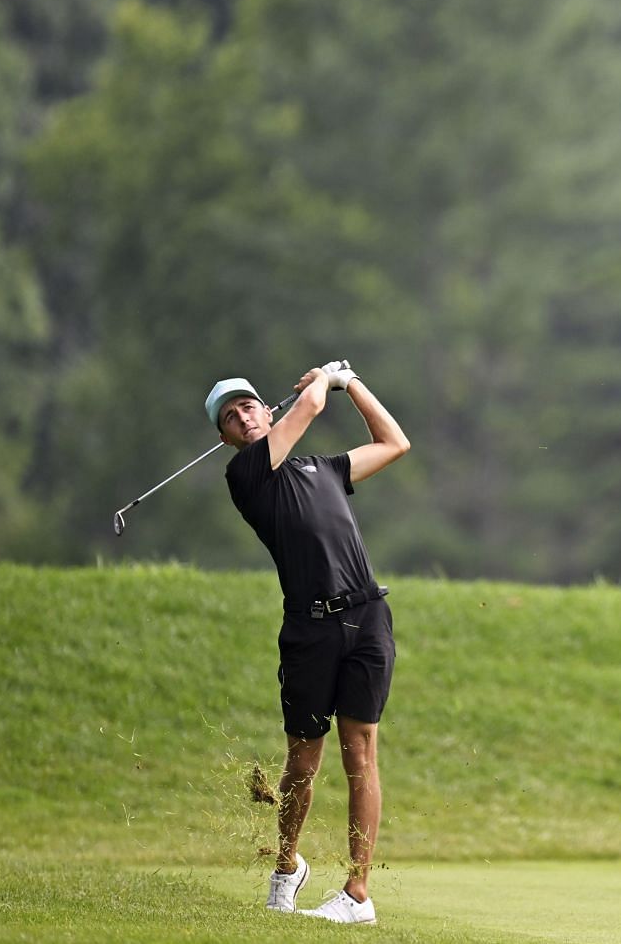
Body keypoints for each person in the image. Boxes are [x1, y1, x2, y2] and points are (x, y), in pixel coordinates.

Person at [206, 360, 410, 926]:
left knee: (360, 752)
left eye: (248, 406)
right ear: (225, 438)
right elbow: (312, 407)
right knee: (302, 760)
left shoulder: (325, 468)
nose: (243, 417)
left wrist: (352, 383)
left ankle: (357, 893)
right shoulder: (247, 476)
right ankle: (288, 865)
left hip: (367, 617)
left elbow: (394, 442)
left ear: (264, 410)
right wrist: (324, 380)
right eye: (230, 417)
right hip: (309, 629)